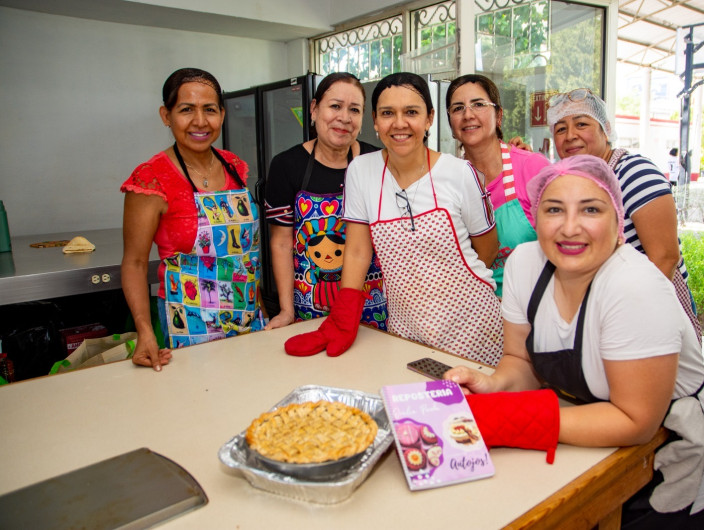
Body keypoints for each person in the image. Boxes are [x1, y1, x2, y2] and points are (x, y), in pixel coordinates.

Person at [445, 155, 704, 529]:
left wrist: (513, 418)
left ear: (618, 220)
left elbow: (636, 421)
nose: (570, 227)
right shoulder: (525, 264)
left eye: (590, 209)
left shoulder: (634, 287)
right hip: (594, 451)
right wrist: (493, 386)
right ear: (535, 217)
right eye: (554, 209)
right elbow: (520, 361)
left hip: (681, 465)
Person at [284, 72, 503, 366]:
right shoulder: (361, 171)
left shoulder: (459, 173)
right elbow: (358, 251)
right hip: (405, 329)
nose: (399, 123)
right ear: (375, 120)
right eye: (388, 113)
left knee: (469, 397)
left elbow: (487, 249)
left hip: (472, 326)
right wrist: (343, 317)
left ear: (429, 118)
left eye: (411, 112)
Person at [121, 68, 265, 371]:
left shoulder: (234, 166)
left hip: (248, 315)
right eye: (187, 110)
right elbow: (134, 263)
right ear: (166, 115)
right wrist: (145, 332)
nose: (200, 121)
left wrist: (262, 310)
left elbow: (245, 256)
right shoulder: (151, 179)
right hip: (190, 322)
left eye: (209, 110)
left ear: (222, 114)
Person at [547, 88, 701, 341]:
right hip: (603, 311)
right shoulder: (574, 182)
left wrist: (631, 319)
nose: (570, 135)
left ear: (606, 129)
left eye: (581, 124)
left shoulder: (634, 172)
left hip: (646, 309)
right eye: (560, 129)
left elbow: (665, 258)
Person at [263, 73, 387, 331]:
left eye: (354, 110)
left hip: (372, 307)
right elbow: (282, 242)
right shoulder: (286, 165)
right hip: (311, 306)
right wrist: (286, 311)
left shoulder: (378, 162)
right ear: (314, 109)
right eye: (335, 106)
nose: (344, 117)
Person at [445, 74, 550, 296]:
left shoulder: (532, 168)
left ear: (498, 115)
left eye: (478, 104)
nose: (468, 115)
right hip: (473, 307)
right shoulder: (447, 181)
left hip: (532, 306)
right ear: (451, 125)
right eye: (458, 108)